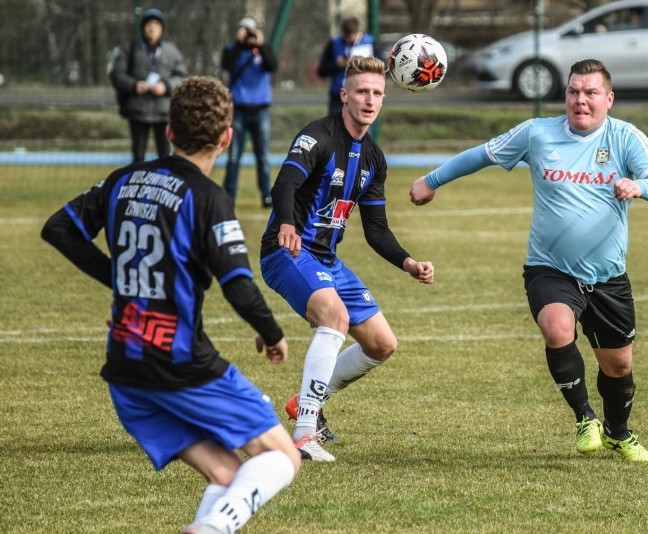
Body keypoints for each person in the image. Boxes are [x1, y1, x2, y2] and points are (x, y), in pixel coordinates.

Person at [41, 76, 305, 533]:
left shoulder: (124, 180)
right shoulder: (209, 198)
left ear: (168, 130)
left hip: (126, 374)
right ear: (226, 137)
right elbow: (238, 284)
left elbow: (59, 228)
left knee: (227, 474)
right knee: (283, 456)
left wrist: (117, 276)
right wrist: (272, 331)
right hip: (183, 367)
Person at [409, 59, 648, 462]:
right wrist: (431, 181)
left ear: (609, 99)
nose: (580, 100)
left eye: (590, 93)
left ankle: (619, 433)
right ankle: (585, 418)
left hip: (607, 276)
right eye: (573, 92)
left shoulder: (625, 138)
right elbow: (482, 154)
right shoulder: (537, 133)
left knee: (618, 367)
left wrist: (638, 185)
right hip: (549, 267)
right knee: (556, 327)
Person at [260, 55, 434, 462]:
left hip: (327, 260)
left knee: (381, 344)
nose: (369, 100)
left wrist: (408, 262)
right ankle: (303, 435)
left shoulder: (374, 159)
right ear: (344, 96)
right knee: (334, 319)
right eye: (361, 92)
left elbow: (376, 229)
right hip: (289, 251)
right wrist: (285, 222)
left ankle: (305, 402)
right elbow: (286, 182)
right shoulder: (317, 137)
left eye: (377, 93)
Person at [109, 8, 188, 163]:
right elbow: (117, 74)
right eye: (149, 24)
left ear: (162, 29)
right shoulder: (129, 49)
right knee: (138, 156)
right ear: (143, 27)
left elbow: (182, 76)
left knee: (166, 156)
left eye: (156, 24)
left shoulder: (171, 51)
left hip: (164, 112)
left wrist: (166, 86)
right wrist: (134, 85)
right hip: (138, 110)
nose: (152, 28)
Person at [221, 15, 278, 208]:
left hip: (260, 110)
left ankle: (267, 195)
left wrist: (261, 44)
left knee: (262, 157)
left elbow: (272, 65)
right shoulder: (232, 50)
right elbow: (226, 65)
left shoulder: (262, 51)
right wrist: (239, 43)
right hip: (238, 110)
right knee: (234, 156)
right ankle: (229, 196)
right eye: (244, 30)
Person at [317, 16, 380, 117]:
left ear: (359, 31)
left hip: (363, 96)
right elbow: (321, 71)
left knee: (361, 128)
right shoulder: (334, 44)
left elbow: (382, 68)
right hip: (338, 97)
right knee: (336, 129)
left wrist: (365, 65)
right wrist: (337, 65)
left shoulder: (370, 43)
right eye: (347, 38)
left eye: (352, 37)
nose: (349, 41)